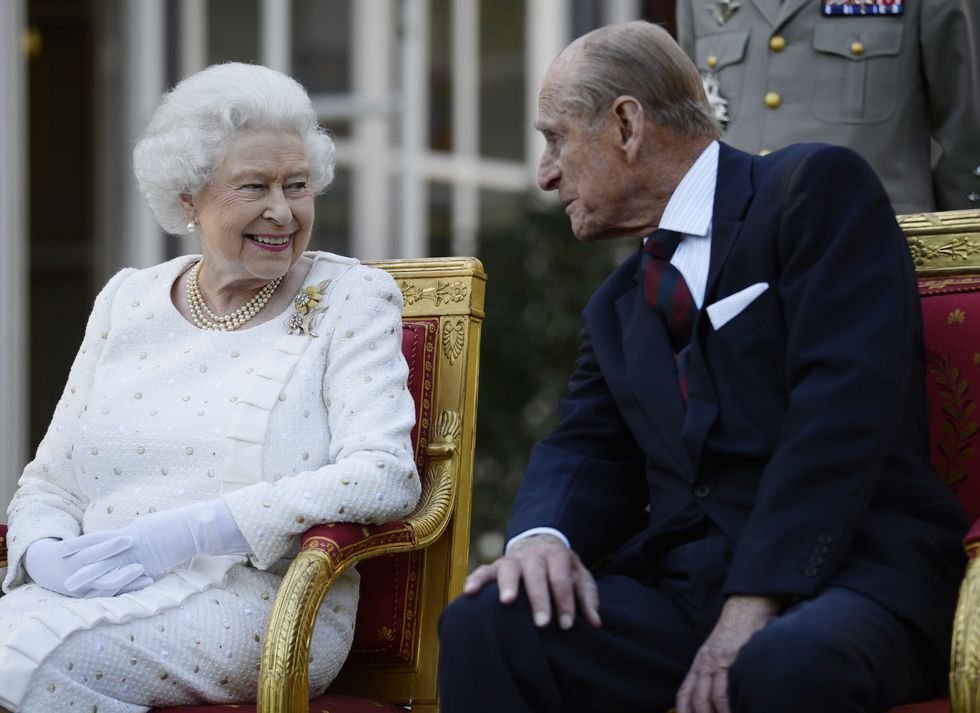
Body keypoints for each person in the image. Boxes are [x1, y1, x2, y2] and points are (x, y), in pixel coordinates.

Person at [438, 21, 966, 713]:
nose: (545, 174)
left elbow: (841, 413)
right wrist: (543, 538)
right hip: (687, 593)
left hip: (845, 574)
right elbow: (586, 445)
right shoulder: (617, 304)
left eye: (555, 137)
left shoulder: (811, 192)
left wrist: (754, 602)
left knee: (783, 663)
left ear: (627, 123)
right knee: (490, 623)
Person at [0, 62, 420, 713]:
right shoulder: (125, 302)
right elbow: (51, 480)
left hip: (263, 606)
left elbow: (385, 474)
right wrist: (46, 551)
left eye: (298, 185)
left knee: (39, 663)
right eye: (254, 186)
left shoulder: (350, 297)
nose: (282, 210)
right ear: (188, 198)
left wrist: (195, 530)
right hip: (93, 590)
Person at [675, 0, 980, 214]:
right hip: (735, 253)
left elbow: (968, 130)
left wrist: (957, 244)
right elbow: (689, 124)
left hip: (874, 249)